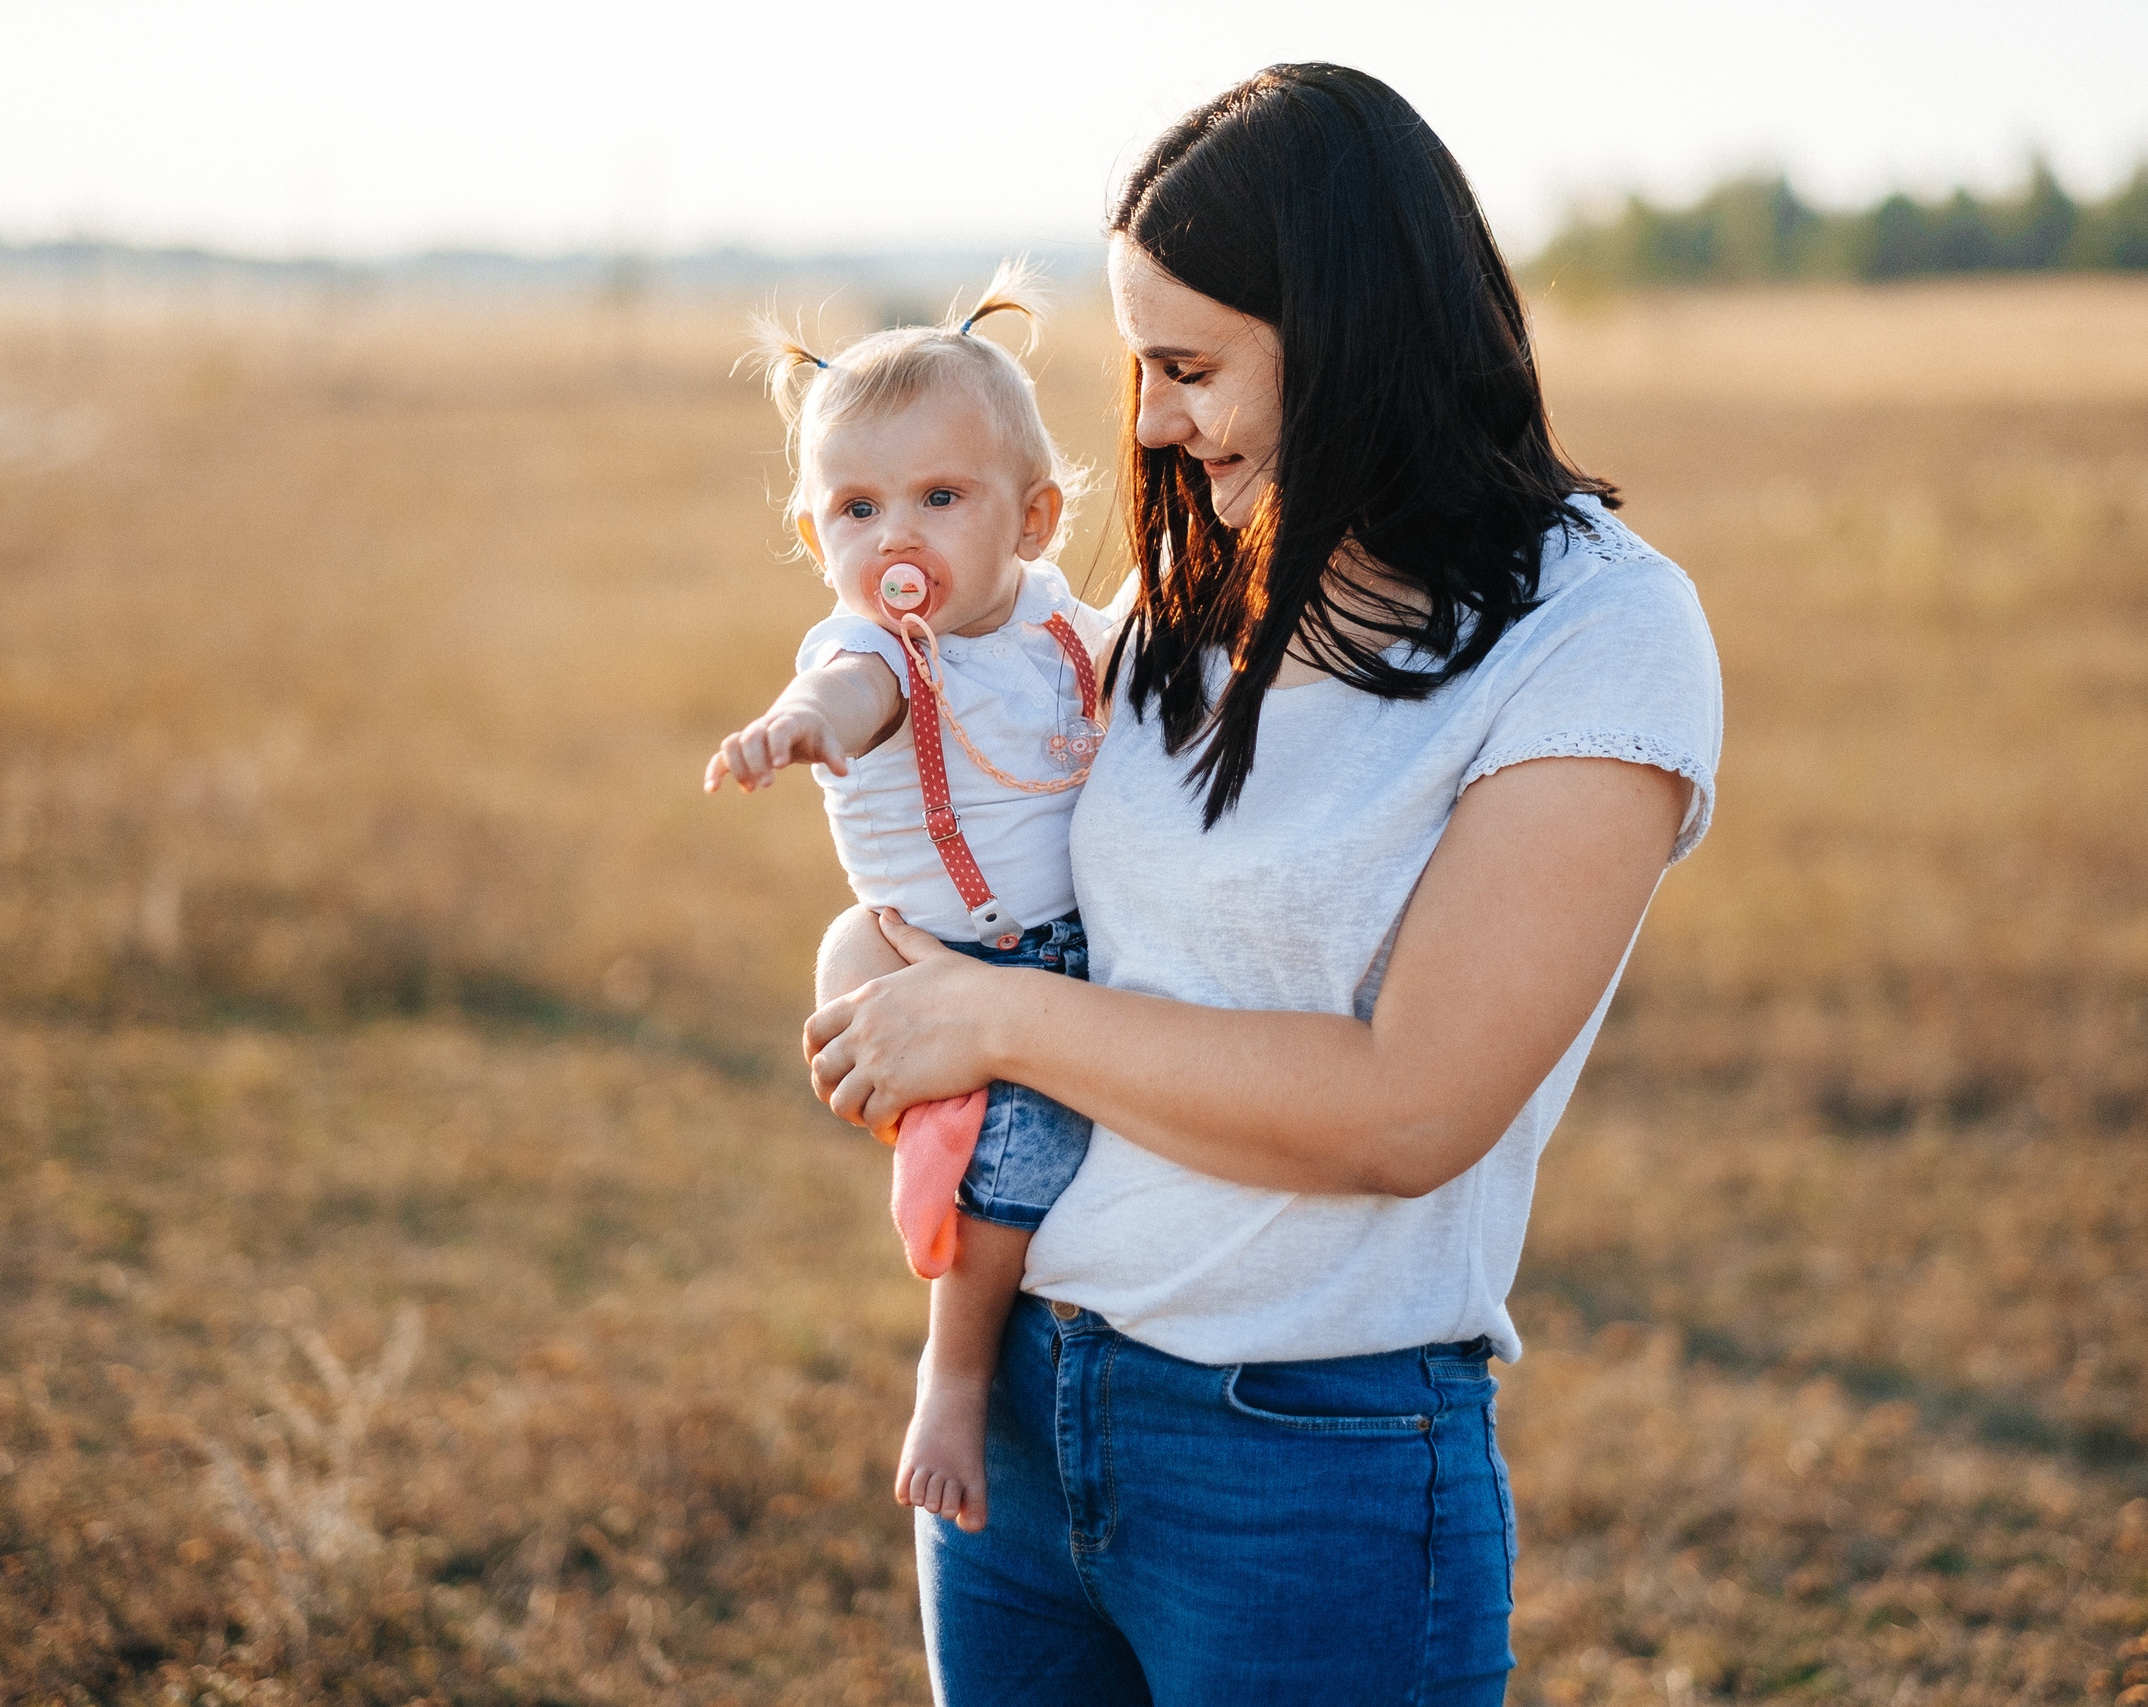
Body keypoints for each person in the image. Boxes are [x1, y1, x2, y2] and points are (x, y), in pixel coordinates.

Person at [802, 64, 1725, 1705]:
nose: (1149, 417)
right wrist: (872, 976)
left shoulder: (1598, 635)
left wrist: (995, 1020)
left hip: (1304, 1464)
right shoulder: (1190, 595)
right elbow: (1032, 910)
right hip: (1019, 1414)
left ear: (1354, 336)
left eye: (1190, 366)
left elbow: (1406, 1111)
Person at [703, 271, 1113, 1536]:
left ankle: (938, 1130)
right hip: (951, 949)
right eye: (857, 508)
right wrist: (795, 730)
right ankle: (955, 1370)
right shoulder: (871, 647)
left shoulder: (1058, 620)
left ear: (1033, 521)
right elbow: (848, 697)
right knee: (1018, 1155)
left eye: (940, 499)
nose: (896, 539)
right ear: (818, 533)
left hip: (1061, 939)